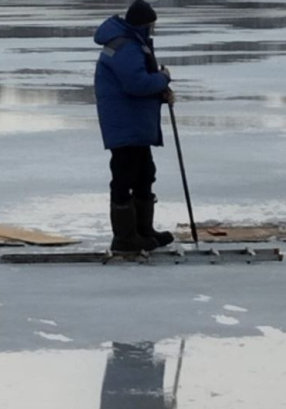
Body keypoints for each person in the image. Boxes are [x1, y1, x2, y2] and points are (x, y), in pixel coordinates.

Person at [94, 0, 176, 252]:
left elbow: (139, 82)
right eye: (151, 24)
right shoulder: (125, 47)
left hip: (134, 123)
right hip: (125, 124)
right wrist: (163, 78)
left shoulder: (130, 43)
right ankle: (125, 237)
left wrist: (161, 90)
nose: (153, 29)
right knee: (125, 176)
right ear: (143, 23)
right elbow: (136, 84)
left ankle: (143, 231)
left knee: (144, 174)